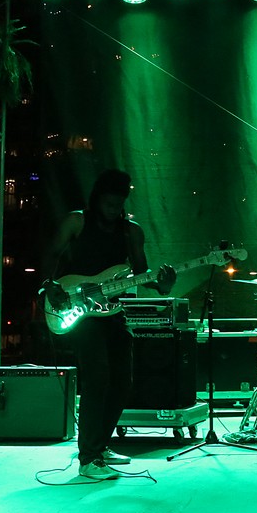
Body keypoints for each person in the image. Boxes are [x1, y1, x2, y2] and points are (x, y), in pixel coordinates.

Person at [42, 169, 176, 480]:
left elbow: (141, 274)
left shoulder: (131, 232)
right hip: (79, 310)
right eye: (108, 204)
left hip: (112, 312)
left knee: (122, 381)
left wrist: (163, 284)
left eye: (119, 204)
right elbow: (50, 255)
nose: (114, 210)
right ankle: (88, 459)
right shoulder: (77, 222)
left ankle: (100, 445)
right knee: (98, 378)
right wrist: (49, 285)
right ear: (97, 199)